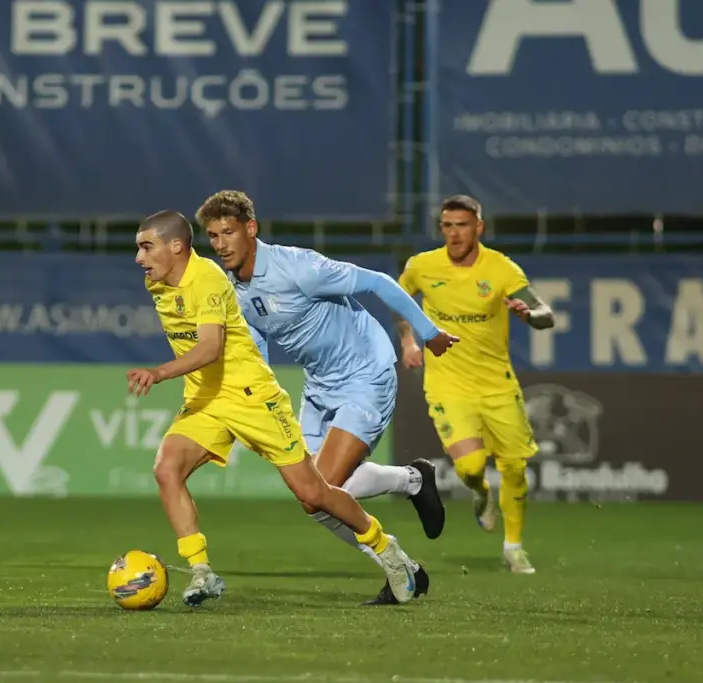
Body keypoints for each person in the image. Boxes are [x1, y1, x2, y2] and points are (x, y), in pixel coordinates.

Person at [129, 210, 423, 606]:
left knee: (314, 494)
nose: (139, 258)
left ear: (176, 246)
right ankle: (201, 571)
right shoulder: (159, 284)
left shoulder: (210, 281)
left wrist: (159, 372)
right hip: (206, 400)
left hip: (252, 398)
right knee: (167, 469)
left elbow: (211, 347)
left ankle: (388, 550)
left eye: (146, 247)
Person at [194, 190, 457, 606]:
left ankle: (400, 562)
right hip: (319, 387)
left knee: (324, 486)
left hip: (365, 373)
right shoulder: (234, 289)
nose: (221, 244)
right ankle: (410, 494)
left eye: (229, 232)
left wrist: (429, 333)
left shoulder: (298, 267)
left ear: (251, 228)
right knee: (312, 500)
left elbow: (378, 282)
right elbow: (258, 343)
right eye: (213, 235)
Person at [396, 194, 556, 575]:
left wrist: (529, 315)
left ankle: (514, 548)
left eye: (462, 225)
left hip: (497, 385)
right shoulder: (423, 266)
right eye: (447, 226)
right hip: (448, 384)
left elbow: (546, 313)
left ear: (479, 228)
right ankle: (480, 491)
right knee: (469, 466)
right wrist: (407, 340)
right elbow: (401, 301)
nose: (454, 234)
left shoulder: (501, 270)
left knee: (515, 467)